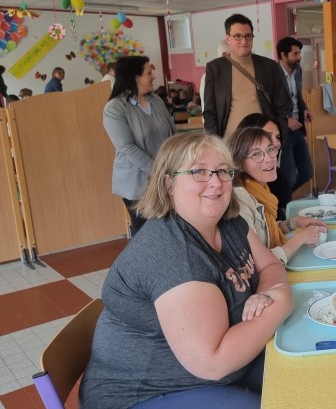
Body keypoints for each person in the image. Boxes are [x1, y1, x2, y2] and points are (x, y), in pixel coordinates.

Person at [79, 132, 293, 408]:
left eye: (222, 171)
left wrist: (264, 295)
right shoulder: (172, 252)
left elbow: (271, 266)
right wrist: (280, 301)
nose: (215, 182)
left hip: (213, 372)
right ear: (168, 183)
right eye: (199, 172)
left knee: (301, 375)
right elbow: (213, 363)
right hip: (143, 394)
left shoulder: (227, 222)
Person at [228, 124, 325, 265]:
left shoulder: (260, 189)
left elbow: (265, 232)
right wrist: (300, 238)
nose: (269, 158)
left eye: (270, 150)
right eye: (256, 154)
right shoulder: (240, 202)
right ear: (239, 164)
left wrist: (294, 222)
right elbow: (253, 264)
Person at [103, 56, 175, 237]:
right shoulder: (115, 108)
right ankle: (138, 265)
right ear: (135, 77)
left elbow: (172, 134)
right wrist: (159, 172)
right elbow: (128, 148)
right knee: (145, 231)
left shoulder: (156, 101)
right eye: (148, 73)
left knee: (168, 229)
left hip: (165, 178)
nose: (153, 77)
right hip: (136, 182)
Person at [203, 14, 291, 138]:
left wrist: (280, 137)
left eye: (248, 36)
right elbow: (209, 112)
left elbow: (282, 107)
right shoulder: (215, 68)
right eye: (237, 36)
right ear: (228, 38)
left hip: (264, 141)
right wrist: (213, 143)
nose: (244, 41)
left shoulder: (269, 66)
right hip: (229, 143)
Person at [237, 113, 292, 221]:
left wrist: (291, 224)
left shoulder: (278, 178)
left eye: (278, 137)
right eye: (266, 136)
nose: (276, 143)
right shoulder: (238, 197)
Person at [276, 36, 313, 194]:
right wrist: (286, 120)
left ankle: (282, 198)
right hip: (283, 131)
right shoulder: (273, 74)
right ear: (283, 55)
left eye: (299, 53)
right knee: (289, 176)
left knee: (306, 173)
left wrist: (304, 109)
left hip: (298, 129)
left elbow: (297, 97)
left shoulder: (298, 71)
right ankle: (282, 203)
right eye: (295, 54)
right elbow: (270, 105)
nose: (299, 57)